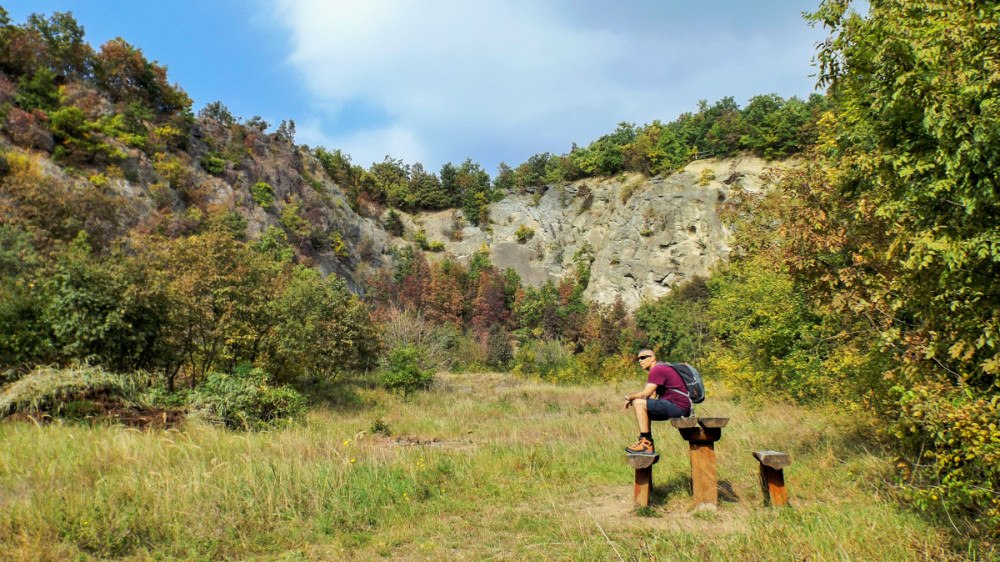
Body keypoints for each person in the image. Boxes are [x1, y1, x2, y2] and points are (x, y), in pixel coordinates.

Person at [623, 349, 691, 455]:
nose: (640, 361)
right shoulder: (660, 368)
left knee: (638, 403)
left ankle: (646, 443)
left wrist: (629, 397)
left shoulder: (657, 370)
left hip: (678, 407)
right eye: (638, 359)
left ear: (652, 358)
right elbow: (652, 397)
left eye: (643, 357)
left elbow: (645, 394)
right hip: (680, 407)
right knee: (640, 404)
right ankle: (645, 441)